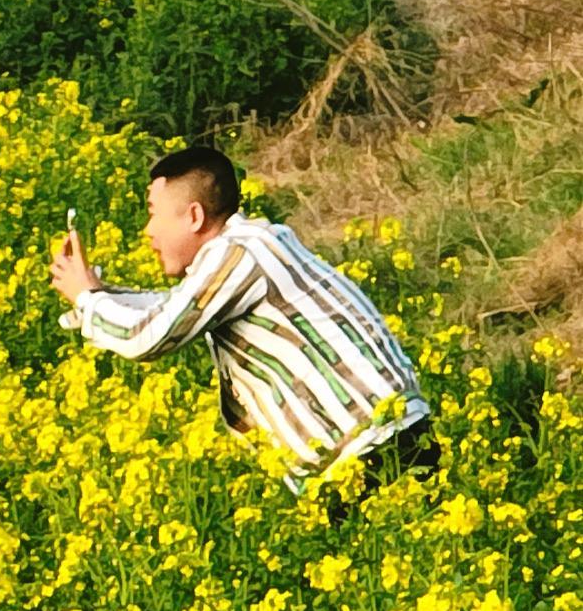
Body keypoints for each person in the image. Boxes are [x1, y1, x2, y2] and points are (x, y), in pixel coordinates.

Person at [49, 144, 433, 499]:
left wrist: (89, 297)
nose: (148, 231)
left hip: (375, 450)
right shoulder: (250, 248)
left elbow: (150, 337)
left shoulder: (240, 252)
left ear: (194, 215)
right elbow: (171, 307)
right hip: (378, 446)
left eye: (153, 213)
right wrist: (97, 293)